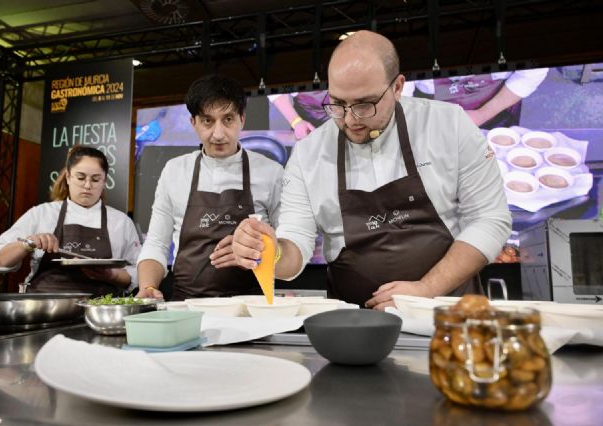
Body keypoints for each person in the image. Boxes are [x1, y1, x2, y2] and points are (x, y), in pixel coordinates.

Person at [232, 30, 512, 310]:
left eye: (365, 104)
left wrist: (427, 289)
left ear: (398, 87)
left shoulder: (448, 125)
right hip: (356, 329)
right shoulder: (308, 155)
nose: (351, 119)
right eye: (338, 104)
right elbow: (296, 245)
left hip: (451, 318)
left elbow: (490, 219)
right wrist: (272, 251)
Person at [136, 74, 283, 300]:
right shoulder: (174, 171)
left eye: (228, 119)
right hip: (187, 308)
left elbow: (288, 245)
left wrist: (260, 250)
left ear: (242, 119)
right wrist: (147, 288)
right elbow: (156, 243)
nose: (218, 134)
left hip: (251, 310)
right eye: (207, 121)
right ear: (193, 122)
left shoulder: (271, 172)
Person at [0, 146, 140, 295]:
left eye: (95, 179)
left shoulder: (122, 222)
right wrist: (28, 244)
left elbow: (139, 272)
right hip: (45, 308)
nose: (87, 185)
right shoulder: (42, 213)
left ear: (104, 181)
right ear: (68, 177)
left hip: (101, 311)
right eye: (80, 177)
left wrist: (111, 275)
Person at [402, 68, 549, 128]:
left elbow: (531, 73)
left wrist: (483, 114)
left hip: (498, 108)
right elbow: (401, 95)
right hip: (432, 117)